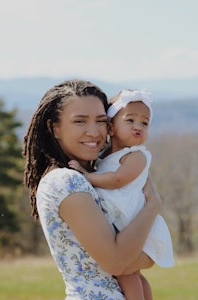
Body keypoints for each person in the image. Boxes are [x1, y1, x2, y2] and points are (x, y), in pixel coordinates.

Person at [23, 79, 162, 300]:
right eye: (79, 121)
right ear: (54, 128)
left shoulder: (89, 175)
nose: (93, 131)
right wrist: (153, 204)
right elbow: (117, 262)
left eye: (101, 121)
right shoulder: (66, 181)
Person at [68, 89, 174, 299]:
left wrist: (86, 176)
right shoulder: (105, 154)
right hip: (123, 222)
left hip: (135, 224)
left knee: (125, 272)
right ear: (111, 128)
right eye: (130, 120)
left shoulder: (136, 156)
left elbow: (117, 179)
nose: (138, 126)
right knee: (133, 273)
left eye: (144, 123)